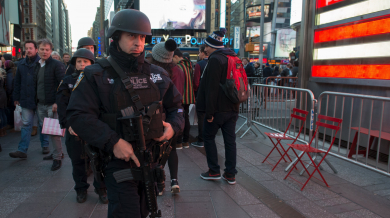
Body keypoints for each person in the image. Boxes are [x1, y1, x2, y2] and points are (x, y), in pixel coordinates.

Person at [66, 9, 184, 217]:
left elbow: (177, 107)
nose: (138, 42)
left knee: (145, 211)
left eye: (141, 37)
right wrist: (113, 142)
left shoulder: (157, 74)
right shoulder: (95, 74)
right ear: (116, 37)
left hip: (151, 161)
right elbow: (78, 115)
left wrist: (173, 127)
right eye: (131, 36)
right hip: (117, 163)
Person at [56, 48, 108, 204]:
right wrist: (68, 125)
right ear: (74, 64)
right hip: (75, 130)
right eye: (79, 61)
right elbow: (62, 105)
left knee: (99, 160)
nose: (82, 64)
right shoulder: (67, 81)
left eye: (85, 61)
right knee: (78, 162)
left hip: (95, 128)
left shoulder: (99, 80)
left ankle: (101, 189)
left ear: (92, 63)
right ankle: (81, 189)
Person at [197, 28, 239, 185]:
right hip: (233, 107)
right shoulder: (232, 57)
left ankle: (214, 171)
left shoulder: (215, 60)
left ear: (211, 46)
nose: (205, 48)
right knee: (230, 141)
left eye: (206, 46)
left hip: (218, 109)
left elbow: (212, 88)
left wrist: (209, 112)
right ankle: (230, 174)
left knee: (208, 137)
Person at [150, 39, 184, 195]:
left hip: (157, 118)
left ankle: (160, 183)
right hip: (174, 117)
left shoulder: (152, 72)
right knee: (171, 149)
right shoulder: (178, 71)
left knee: (156, 152)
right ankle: (174, 180)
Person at [9, 40, 50, 159]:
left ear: (36, 49)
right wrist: (16, 97)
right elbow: (17, 83)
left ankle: (45, 145)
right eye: (26, 48)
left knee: (43, 124)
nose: (28, 50)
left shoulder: (42, 63)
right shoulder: (21, 64)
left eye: (30, 48)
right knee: (26, 124)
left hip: (40, 99)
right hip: (25, 99)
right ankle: (22, 150)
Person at [34, 38, 65, 171]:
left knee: (54, 132)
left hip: (52, 104)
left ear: (51, 51)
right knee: (47, 130)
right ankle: (56, 152)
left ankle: (57, 158)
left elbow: (62, 85)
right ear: (38, 50)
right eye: (42, 49)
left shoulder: (56, 65)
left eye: (47, 50)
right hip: (40, 104)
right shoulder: (38, 64)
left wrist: (57, 102)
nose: (44, 52)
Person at [173, 48, 195, 149]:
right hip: (188, 96)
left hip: (180, 96)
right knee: (185, 118)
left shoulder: (178, 67)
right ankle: (185, 141)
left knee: (179, 119)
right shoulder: (189, 65)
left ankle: (178, 142)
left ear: (176, 57)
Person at [191, 44, 208, 148]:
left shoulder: (199, 64)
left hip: (202, 95)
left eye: (198, 52)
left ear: (202, 52)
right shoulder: (215, 63)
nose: (198, 54)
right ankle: (208, 138)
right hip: (214, 95)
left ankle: (201, 140)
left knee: (201, 117)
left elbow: (196, 82)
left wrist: (194, 92)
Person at [5, 60, 16, 129]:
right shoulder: (14, 72)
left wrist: (8, 94)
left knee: (11, 109)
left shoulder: (9, 74)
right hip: (14, 93)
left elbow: (9, 86)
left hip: (12, 94)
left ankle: (11, 124)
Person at [0, 68, 6, 136]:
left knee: (1, 113)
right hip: (3, 94)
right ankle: (3, 130)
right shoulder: (2, 76)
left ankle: (1, 130)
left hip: (1, 95)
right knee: (3, 112)